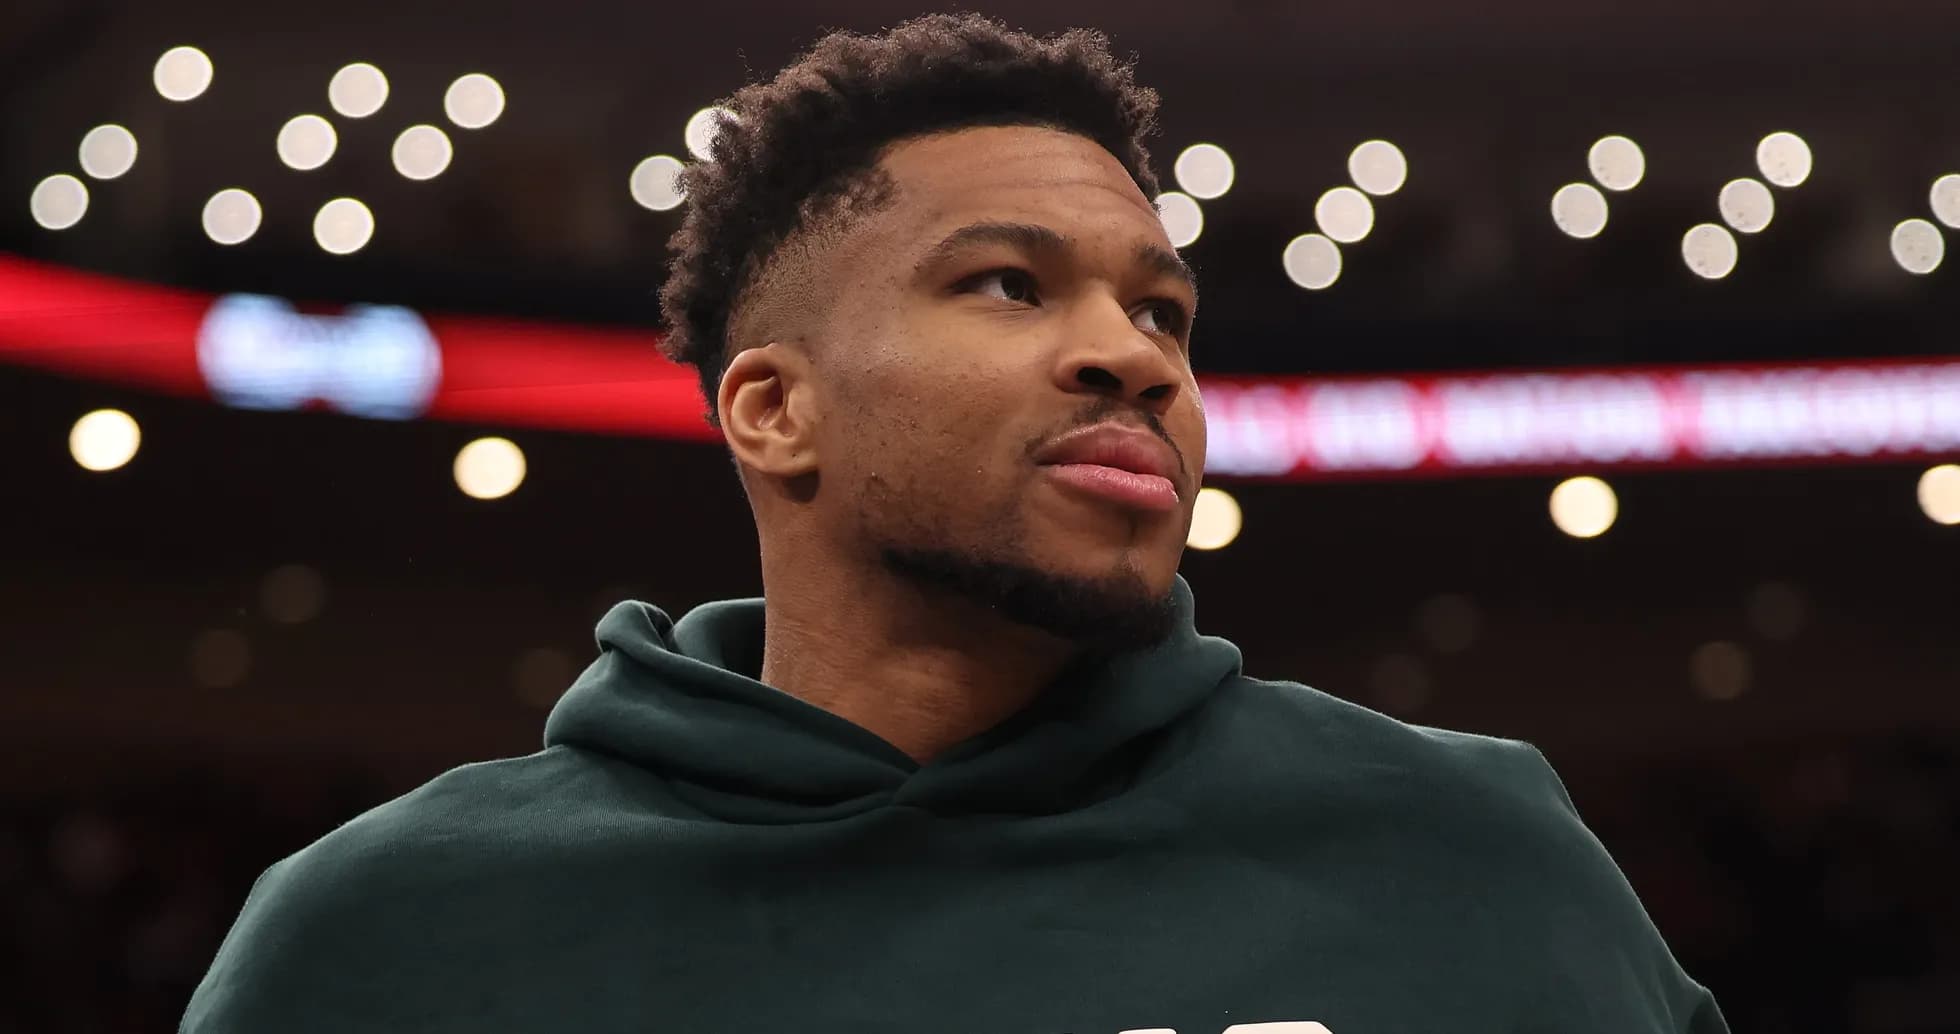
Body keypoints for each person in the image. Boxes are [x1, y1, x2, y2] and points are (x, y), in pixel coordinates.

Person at [183, 14, 1727, 1033]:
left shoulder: (1470, 852)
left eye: (1164, 310)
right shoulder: (392, 935)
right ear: (773, 409)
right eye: (1009, 283)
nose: (1136, 356)